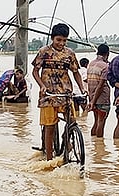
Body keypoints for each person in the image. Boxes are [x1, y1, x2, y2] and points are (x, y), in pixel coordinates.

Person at [31, 23, 84, 158]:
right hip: (48, 95)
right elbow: (35, 71)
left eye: (64, 40)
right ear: (53, 38)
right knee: (50, 127)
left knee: (72, 121)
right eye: (58, 40)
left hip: (65, 93)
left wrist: (82, 88)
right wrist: (42, 86)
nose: (61, 43)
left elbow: (76, 72)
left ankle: (67, 141)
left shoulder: (69, 54)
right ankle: (49, 158)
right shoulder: (44, 52)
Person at [85, 44, 111, 138]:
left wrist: (92, 101)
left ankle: (94, 144)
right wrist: (94, 100)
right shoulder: (105, 66)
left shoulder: (91, 64)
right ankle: (100, 145)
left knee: (96, 121)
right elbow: (100, 86)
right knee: (101, 122)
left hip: (92, 96)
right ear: (107, 54)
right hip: (102, 98)